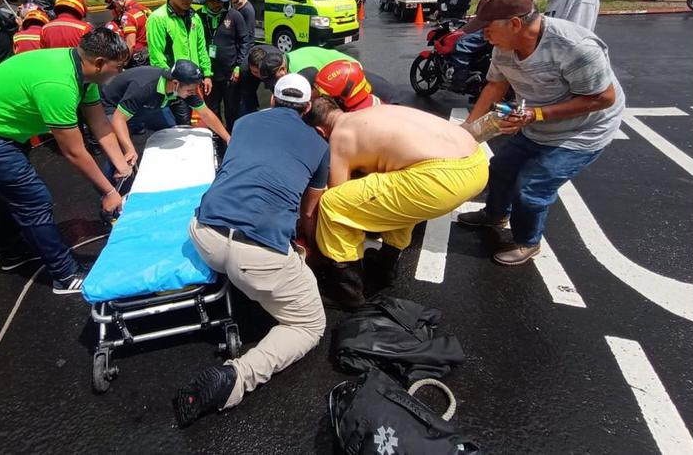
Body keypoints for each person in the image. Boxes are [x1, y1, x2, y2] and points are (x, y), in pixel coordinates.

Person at [175, 73, 328, 427]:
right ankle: (237, 378)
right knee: (309, 324)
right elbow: (308, 210)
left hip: (205, 236)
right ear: (306, 109)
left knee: (241, 263)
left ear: (272, 100)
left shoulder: (244, 122)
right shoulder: (319, 146)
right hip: (259, 258)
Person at [0, 28, 132, 293]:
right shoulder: (59, 85)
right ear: (100, 63)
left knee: (4, 192)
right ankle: (65, 276)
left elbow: (99, 123)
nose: (120, 72)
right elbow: (74, 152)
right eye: (119, 67)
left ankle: (12, 254)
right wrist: (109, 192)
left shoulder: (86, 74)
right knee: (33, 199)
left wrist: (122, 167)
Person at [458, 0, 624, 265]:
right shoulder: (504, 46)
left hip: (582, 131)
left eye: (487, 27)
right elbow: (496, 84)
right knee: (501, 168)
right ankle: (495, 214)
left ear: (514, 24)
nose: (483, 34)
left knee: (532, 186)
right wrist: (469, 125)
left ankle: (527, 241)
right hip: (537, 121)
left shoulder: (574, 48)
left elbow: (603, 98)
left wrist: (537, 114)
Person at [305, 99, 488, 309]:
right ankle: (385, 267)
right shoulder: (370, 113)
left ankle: (347, 291)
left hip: (441, 179)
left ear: (320, 131)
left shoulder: (340, 135)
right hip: (476, 162)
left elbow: (340, 193)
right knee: (391, 188)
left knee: (334, 205)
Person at [99, 61, 231, 177]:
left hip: (147, 105)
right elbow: (118, 119)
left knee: (170, 132)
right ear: (175, 83)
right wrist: (128, 148)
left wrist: (227, 138)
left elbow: (206, 114)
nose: (193, 93)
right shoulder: (144, 87)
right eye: (190, 90)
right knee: (120, 150)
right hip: (114, 106)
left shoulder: (184, 86)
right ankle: (109, 189)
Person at [448, 0, 520, 88]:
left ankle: (459, 82)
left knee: (461, 45)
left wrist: (467, 28)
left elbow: (486, 9)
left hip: (492, 25)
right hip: (474, 19)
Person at [146, 0, 213, 125]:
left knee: (198, 119)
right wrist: (173, 80)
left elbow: (201, 48)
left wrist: (207, 73)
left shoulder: (194, 17)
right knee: (181, 124)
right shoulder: (158, 19)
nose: (188, 0)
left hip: (192, 81)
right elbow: (157, 56)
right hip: (174, 83)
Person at [250, 45, 401, 106]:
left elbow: (310, 100)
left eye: (276, 79)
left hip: (349, 74)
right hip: (334, 77)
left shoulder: (304, 72)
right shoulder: (283, 60)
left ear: (283, 70)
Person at [197, 0, 252, 130]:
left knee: (232, 110)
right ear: (206, 1)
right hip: (208, 76)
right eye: (213, 1)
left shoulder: (233, 15)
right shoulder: (197, 18)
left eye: (220, 0)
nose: (217, 4)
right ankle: (217, 139)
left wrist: (238, 66)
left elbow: (244, 41)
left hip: (230, 75)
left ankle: (232, 138)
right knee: (212, 110)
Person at [228, 0, 261, 118]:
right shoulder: (236, 7)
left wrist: (240, 63)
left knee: (246, 93)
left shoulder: (247, 10)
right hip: (240, 52)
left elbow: (247, 38)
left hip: (245, 56)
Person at [104, 0, 151, 66]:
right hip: (150, 54)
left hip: (138, 61)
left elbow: (131, 45)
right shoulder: (142, 8)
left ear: (119, 0)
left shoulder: (127, 16)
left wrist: (123, 63)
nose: (113, 10)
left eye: (113, 6)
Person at [313, 59, 383, 111]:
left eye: (325, 96)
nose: (322, 99)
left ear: (340, 99)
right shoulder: (370, 100)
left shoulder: (355, 118)